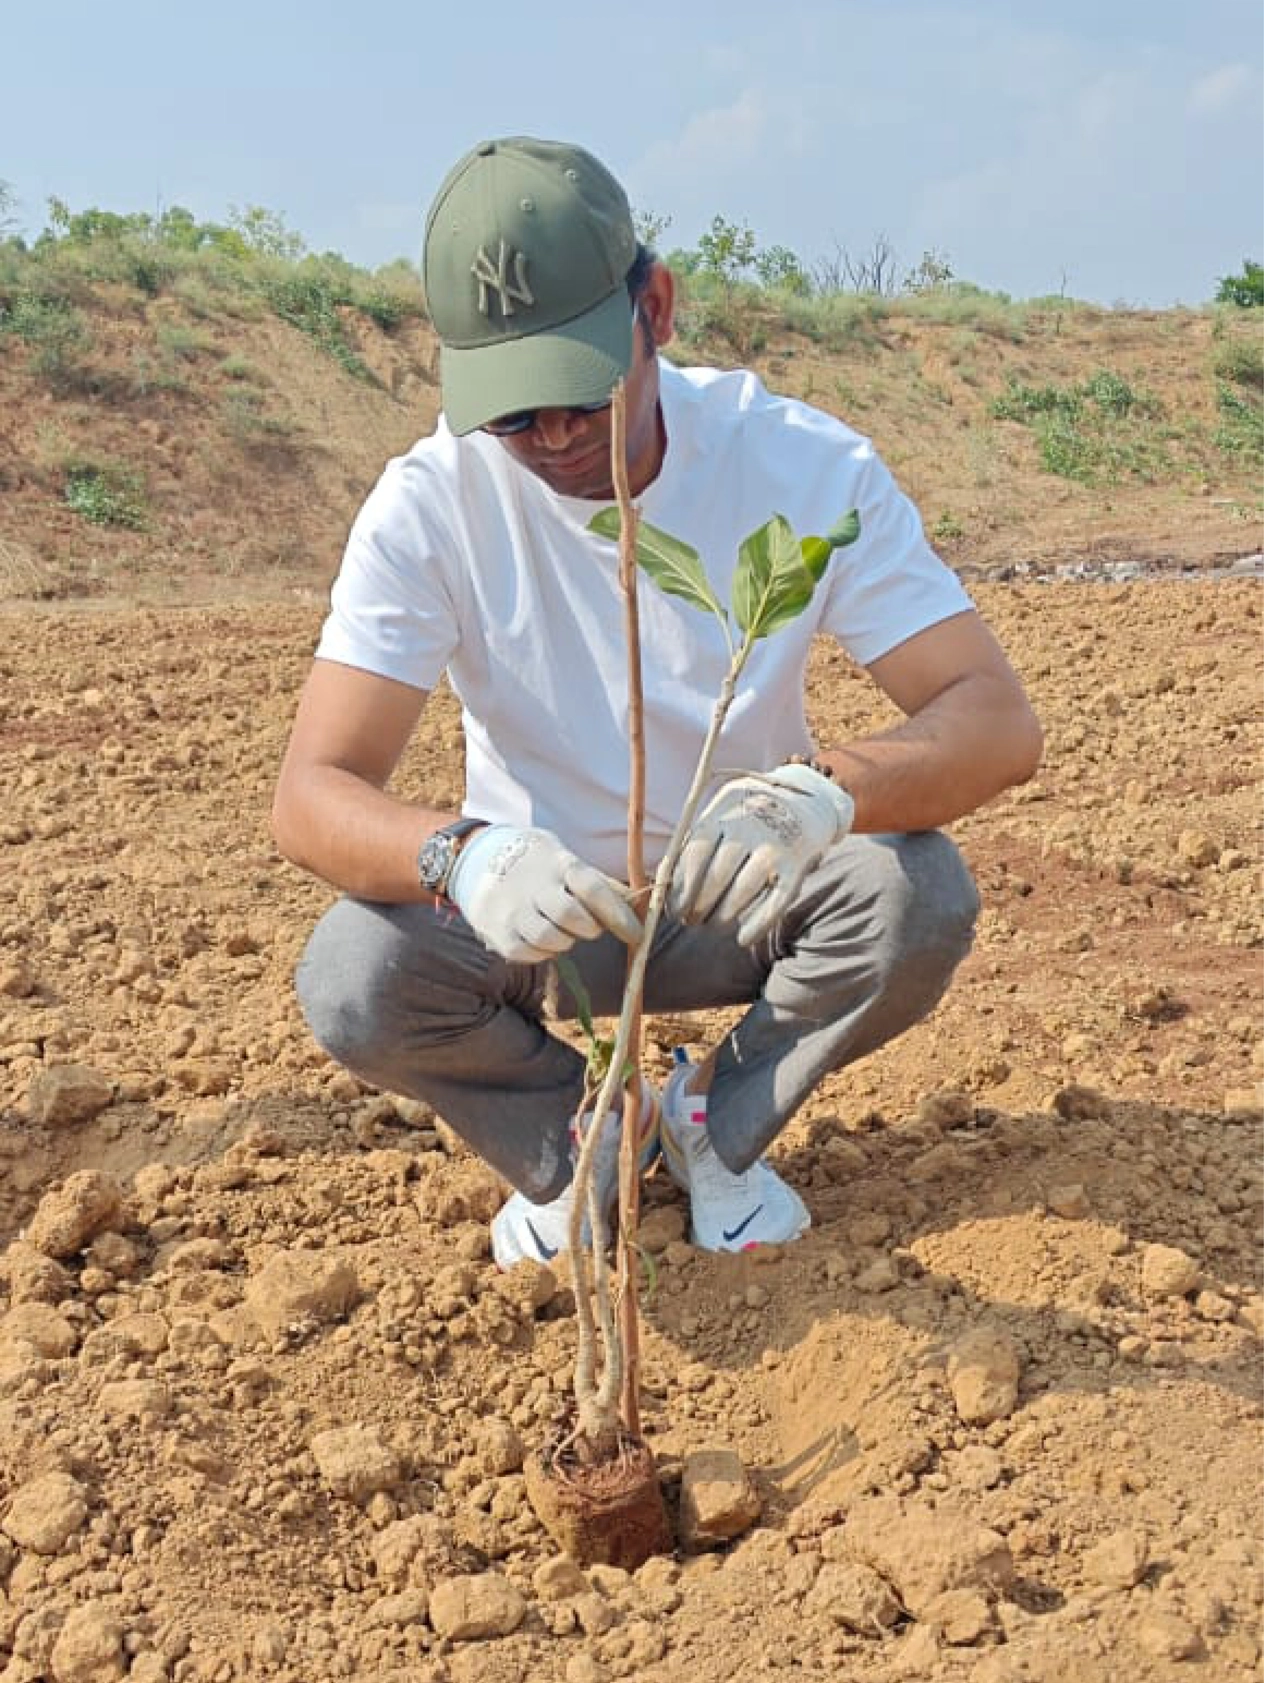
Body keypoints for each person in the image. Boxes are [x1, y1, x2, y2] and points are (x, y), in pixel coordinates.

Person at [271, 135, 1042, 1269]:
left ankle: (708, 1125)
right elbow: (312, 792)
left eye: (581, 394)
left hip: (738, 888)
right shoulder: (430, 504)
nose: (554, 439)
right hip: (542, 918)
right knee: (355, 975)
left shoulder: (801, 472)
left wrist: (814, 798)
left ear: (657, 308)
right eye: (512, 414)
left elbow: (990, 716)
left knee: (910, 894)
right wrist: (469, 860)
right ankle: (572, 1142)